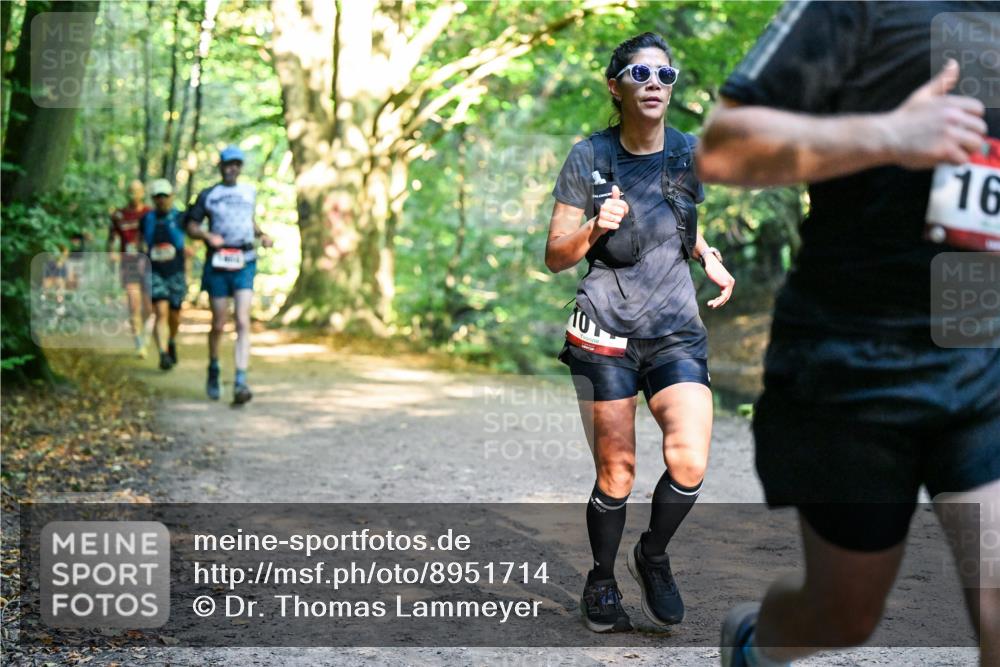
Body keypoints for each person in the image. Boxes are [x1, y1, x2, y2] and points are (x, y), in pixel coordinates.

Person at [695, 3, 999, 666]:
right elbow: (721, 146)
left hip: (986, 354)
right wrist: (891, 133)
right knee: (842, 615)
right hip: (854, 358)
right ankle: (753, 644)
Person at [544, 32, 735, 633]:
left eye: (665, 75)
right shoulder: (589, 157)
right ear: (616, 85)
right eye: (641, 74)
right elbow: (554, 255)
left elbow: (678, 216)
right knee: (618, 471)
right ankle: (601, 579)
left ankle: (651, 555)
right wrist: (596, 229)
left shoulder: (687, 153)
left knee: (689, 458)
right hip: (604, 328)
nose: (655, 83)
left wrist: (707, 255)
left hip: (675, 326)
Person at [185, 145, 272, 404]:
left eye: (237, 164)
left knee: (243, 321)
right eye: (228, 164)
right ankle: (213, 367)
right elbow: (191, 225)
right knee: (219, 323)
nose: (232, 168)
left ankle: (240, 381)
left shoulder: (249, 192)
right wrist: (207, 235)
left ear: (241, 167)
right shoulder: (209, 194)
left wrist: (262, 234)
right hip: (218, 263)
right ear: (221, 166)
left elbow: (249, 221)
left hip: (245, 261)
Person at [142, 179, 186, 371]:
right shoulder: (147, 219)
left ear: (171, 197)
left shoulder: (180, 218)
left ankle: (171, 341)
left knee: (174, 315)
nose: (161, 200)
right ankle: (163, 354)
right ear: (153, 199)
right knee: (160, 311)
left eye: (164, 196)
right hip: (154, 271)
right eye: (157, 196)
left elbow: (191, 238)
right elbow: (139, 242)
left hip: (176, 271)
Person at [108, 179, 152, 357]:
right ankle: (139, 344)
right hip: (129, 263)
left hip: (148, 263)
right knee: (134, 304)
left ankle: (144, 331)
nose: (134, 194)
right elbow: (111, 239)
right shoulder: (119, 215)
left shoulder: (150, 213)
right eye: (130, 191)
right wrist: (111, 254)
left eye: (137, 191)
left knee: (149, 307)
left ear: (143, 193)